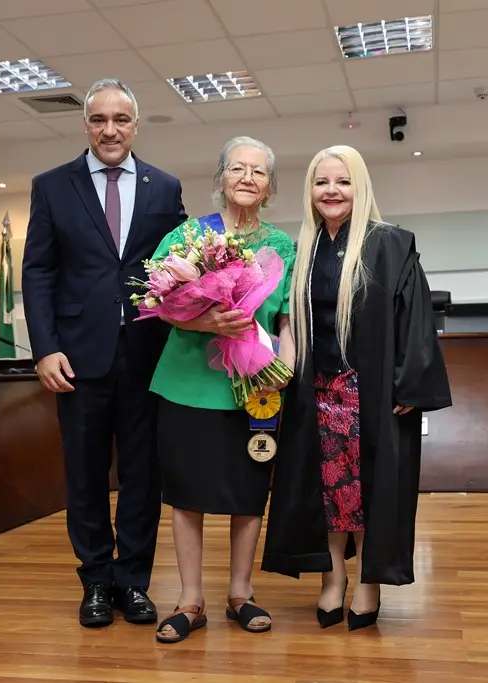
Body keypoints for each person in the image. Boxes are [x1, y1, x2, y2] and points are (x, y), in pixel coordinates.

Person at [261, 145, 452, 631]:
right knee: (326, 492)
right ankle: (333, 580)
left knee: (369, 491)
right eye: (322, 182)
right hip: (315, 392)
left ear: (360, 186)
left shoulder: (391, 244)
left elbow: (415, 320)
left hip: (368, 393)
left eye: (342, 181)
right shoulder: (300, 249)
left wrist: (409, 383)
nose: (331, 191)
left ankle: (368, 582)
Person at [22, 79, 187, 629]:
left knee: (143, 475)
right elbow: (39, 272)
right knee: (86, 473)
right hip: (77, 357)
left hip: (148, 355)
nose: (109, 130)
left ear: (136, 126)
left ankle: (133, 582)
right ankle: (96, 579)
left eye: (120, 119)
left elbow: (180, 271)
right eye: (98, 119)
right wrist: (45, 348)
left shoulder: (165, 188)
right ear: (85, 124)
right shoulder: (51, 187)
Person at [147, 136, 296, 644]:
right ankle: (190, 600)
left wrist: (287, 369)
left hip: (253, 388)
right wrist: (207, 320)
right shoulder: (189, 236)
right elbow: (160, 305)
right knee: (186, 495)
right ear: (221, 178)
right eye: (238, 168)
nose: (248, 177)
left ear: (270, 184)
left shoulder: (283, 246)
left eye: (258, 170)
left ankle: (241, 592)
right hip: (187, 385)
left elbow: (287, 318)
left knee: (248, 494)